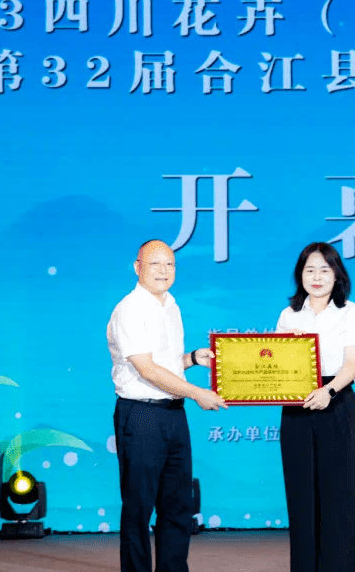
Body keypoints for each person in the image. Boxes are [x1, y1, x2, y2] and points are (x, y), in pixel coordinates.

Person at [107, 239, 228, 572]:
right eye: (155, 263)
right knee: (139, 508)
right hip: (142, 416)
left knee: (177, 506)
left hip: (174, 415)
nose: (163, 271)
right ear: (138, 267)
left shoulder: (171, 306)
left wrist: (192, 358)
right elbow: (146, 369)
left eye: (170, 264)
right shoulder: (130, 309)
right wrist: (197, 393)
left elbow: (166, 364)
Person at [275, 242, 355, 572]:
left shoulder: (351, 312)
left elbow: (354, 362)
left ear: (337, 275)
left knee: (341, 496)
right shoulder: (288, 315)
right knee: (301, 497)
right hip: (297, 408)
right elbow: (274, 369)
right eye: (309, 270)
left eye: (324, 270)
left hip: (336, 402)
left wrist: (329, 390)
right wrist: (287, 346)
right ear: (300, 275)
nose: (316, 277)